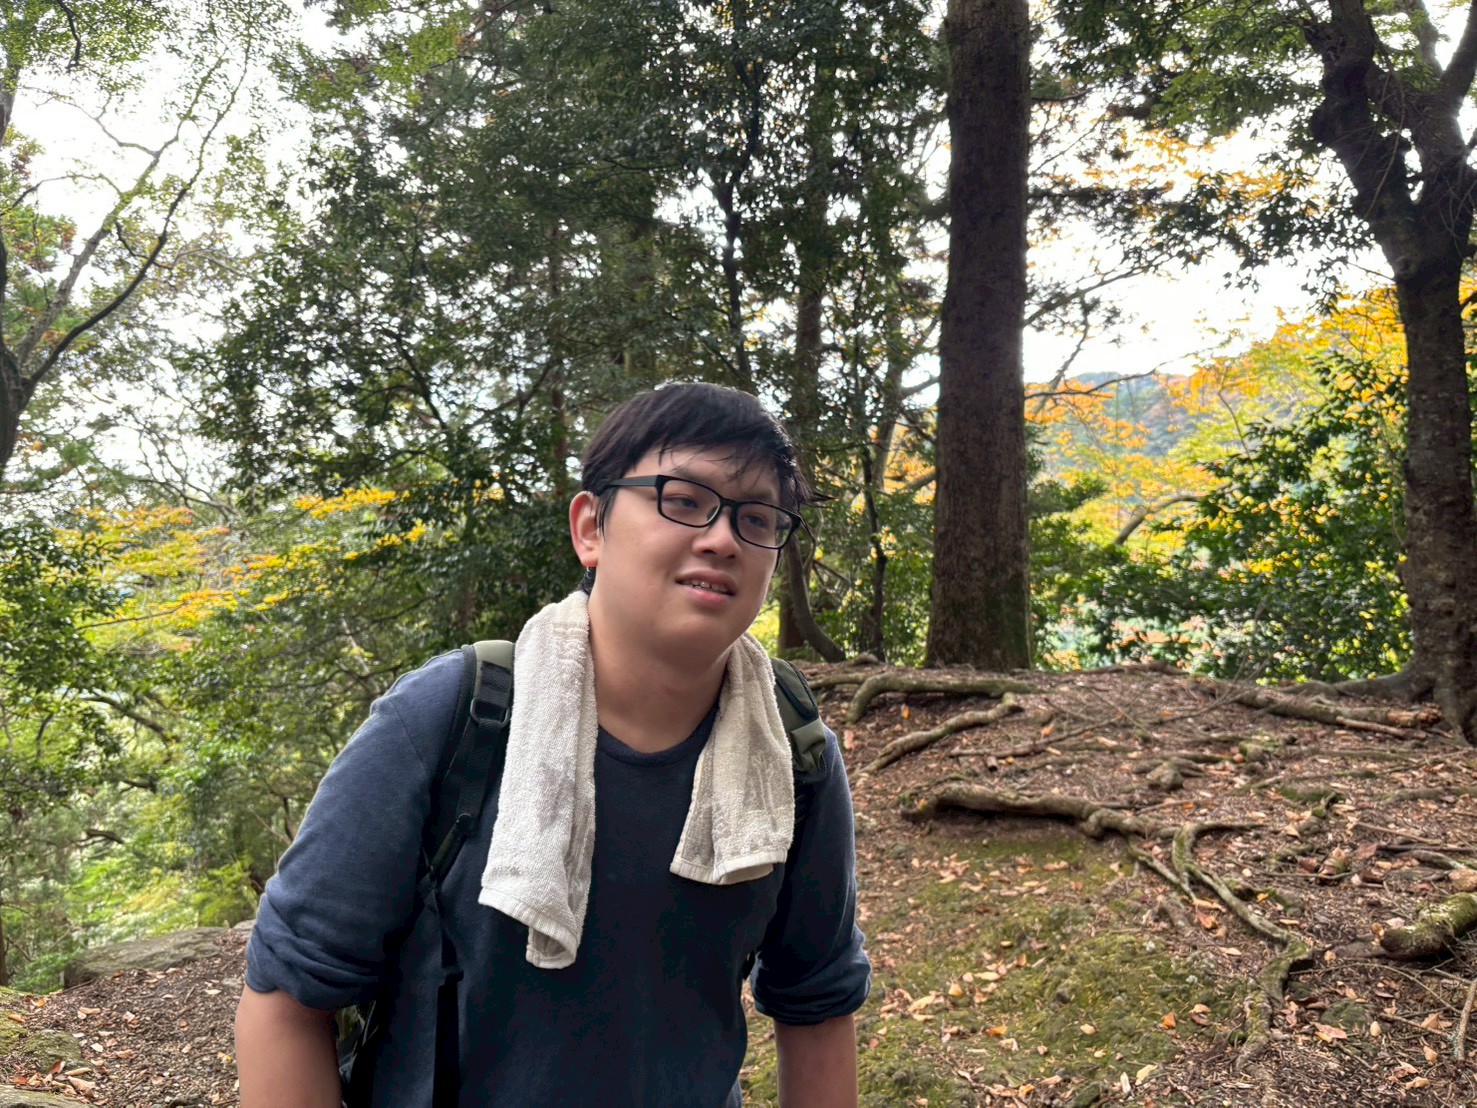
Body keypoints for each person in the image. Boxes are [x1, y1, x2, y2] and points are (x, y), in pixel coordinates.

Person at [234, 382, 871, 1107]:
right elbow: (287, 998)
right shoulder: (448, 719)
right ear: (590, 528)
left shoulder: (790, 752)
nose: (723, 538)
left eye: (756, 518)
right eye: (684, 499)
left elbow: (817, 1003)